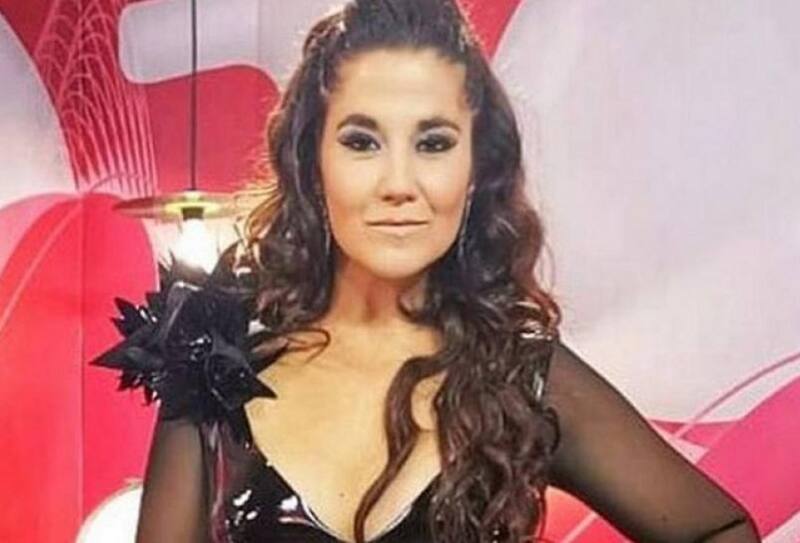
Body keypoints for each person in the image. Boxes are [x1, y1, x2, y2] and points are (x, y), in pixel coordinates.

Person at [94, 0, 761, 542]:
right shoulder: (216, 356)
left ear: (475, 170)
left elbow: (720, 529)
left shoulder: (522, 376)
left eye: (434, 142)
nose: (399, 183)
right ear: (313, 162)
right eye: (362, 141)